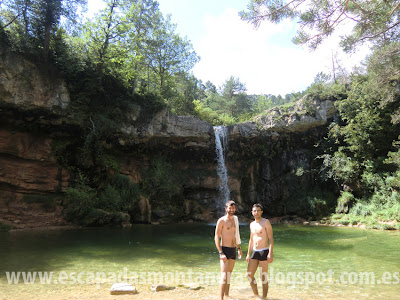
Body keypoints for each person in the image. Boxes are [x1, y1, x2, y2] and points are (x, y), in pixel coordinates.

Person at [215, 200, 243, 300]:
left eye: (233, 208)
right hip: (225, 250)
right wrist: (221, 252)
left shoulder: (235, 219)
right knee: (224, 276)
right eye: (230, 208)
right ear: (226, 208)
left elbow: (236, 235)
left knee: (229, 275)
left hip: (233, 249)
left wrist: (239, 248)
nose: (231, 210)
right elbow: (216, 237)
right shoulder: (221, 221)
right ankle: (221, 298)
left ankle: (227, 295)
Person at [246, 203, 274, 299]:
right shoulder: (251, 224)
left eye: (258, 210)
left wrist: (270, 253)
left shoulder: (266, 222)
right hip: (255, 251)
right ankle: (256, 295)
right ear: (252, 212)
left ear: (261, 212)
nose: (256, 212)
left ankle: (264, 297)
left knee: (263, 277)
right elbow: (251, 239)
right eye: (254, 211)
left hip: (264, 251)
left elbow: (270, 239)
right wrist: (248, 254)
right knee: (249, 275)